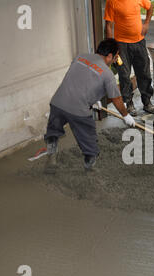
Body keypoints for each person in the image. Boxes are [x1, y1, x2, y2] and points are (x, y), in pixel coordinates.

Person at [44, 38, 136, 174]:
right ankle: (90, 169)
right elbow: (116, 98)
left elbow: (78, 78)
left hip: (58, 102)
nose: (116, 60)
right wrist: (125, 115)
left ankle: (51, 158)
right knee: (89, 141)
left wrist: (93, 98)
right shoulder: (107, 73)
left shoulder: (80, 57)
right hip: (78, 110)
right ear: (110, 56)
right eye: (116, 56)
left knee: (53, 131)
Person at [104, 0, 154, 116]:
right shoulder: (112, 1)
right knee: (124, 75)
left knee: (144, 74)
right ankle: (129, 104)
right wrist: (112, 49)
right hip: (121, 45)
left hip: (139, 42)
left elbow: (150, 7)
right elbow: (108, 26)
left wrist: (146, 23)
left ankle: (147, 103)